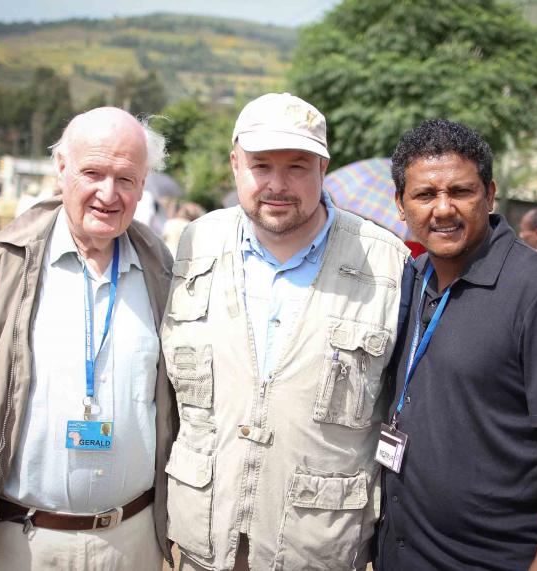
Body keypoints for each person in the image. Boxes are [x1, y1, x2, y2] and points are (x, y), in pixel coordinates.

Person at [0, 107, 177, 571]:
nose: (108, 194)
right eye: (93, 173)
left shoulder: (163, 271)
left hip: (131, 543)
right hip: (16, 545)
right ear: (62, 169)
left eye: (126, 179)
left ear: (143, 182)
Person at [161, 92, 409, 570]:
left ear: (323, 169)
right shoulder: (197, 244)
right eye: (261, 166)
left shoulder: (385, 262)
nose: (278, 185)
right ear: (235, 164)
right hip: (204, 537)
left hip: (318, 545)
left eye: (297, 167)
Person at [377, 119, 537, 571]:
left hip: (499, 559)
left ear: (489, 193)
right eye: (425, 195)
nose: (443, 209)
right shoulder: (411, 278)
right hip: (408, 552)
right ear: (401, 205)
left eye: (461, 191)